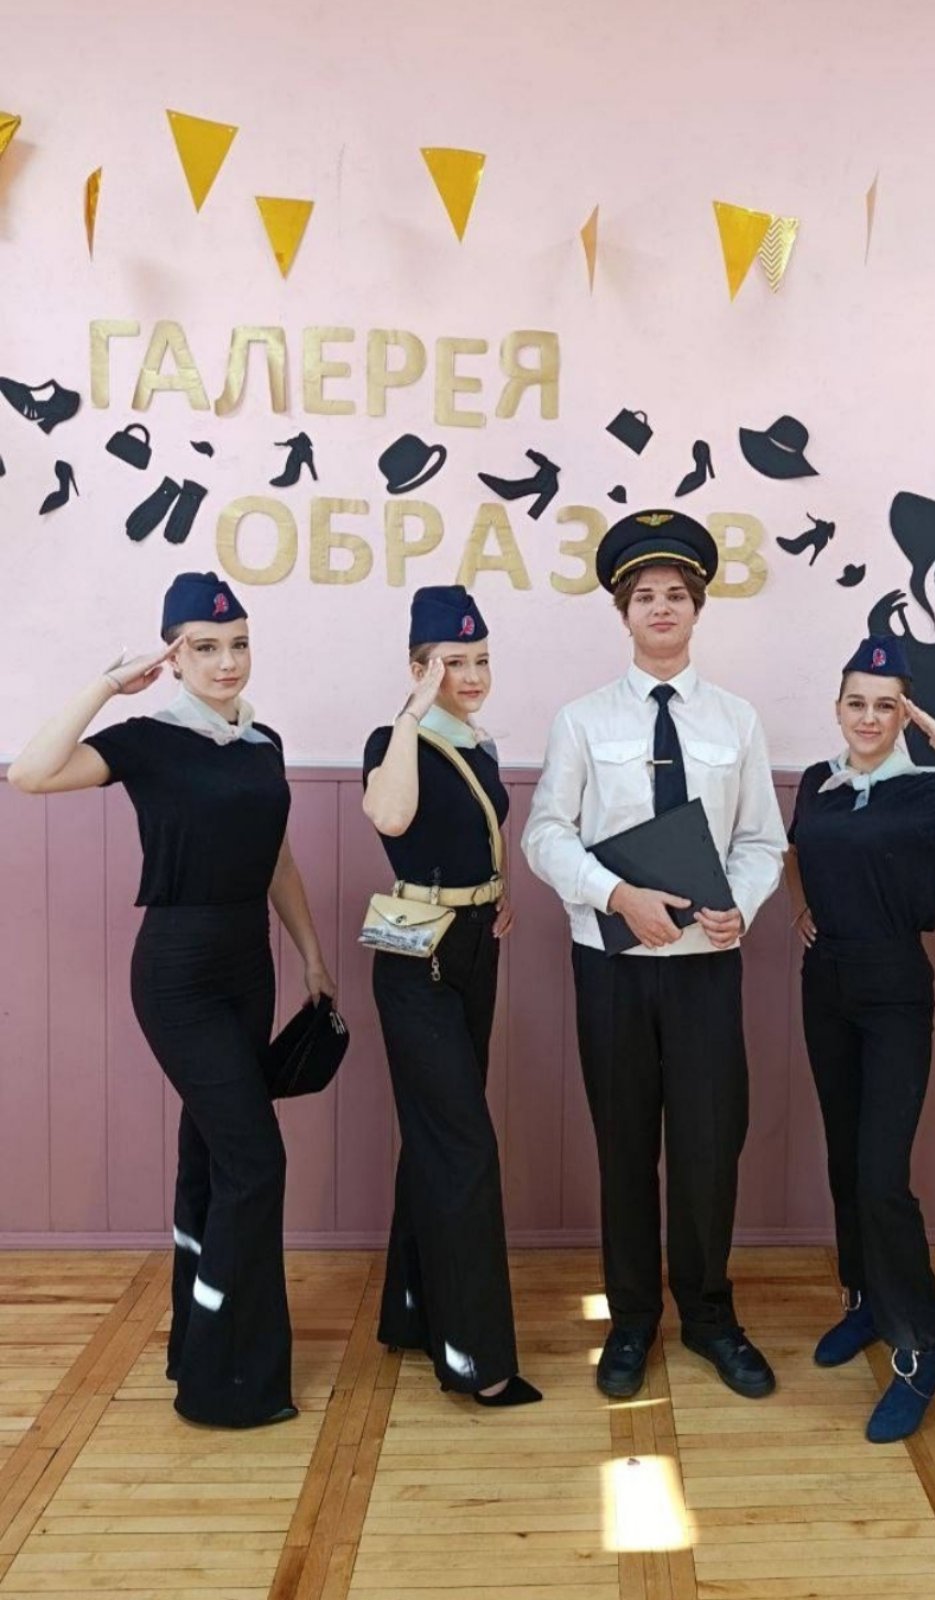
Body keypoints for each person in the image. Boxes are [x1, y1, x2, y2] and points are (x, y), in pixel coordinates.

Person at [6, 571, 335, 1428]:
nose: (227, 661)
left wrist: (310, 953)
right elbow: (30, 775)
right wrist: (107, 685)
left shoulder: (262, 743)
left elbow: (276, 857)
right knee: (255, 1162)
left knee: (210, 1157)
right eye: (205, 647)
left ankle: (195, 1341)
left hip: (250, 965)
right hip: (178, 972)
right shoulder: (147, 739)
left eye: (238, 644)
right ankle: (225, 1382)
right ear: (174, 657)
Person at [522, 510, 787, 1401]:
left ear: (697, 608)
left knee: (709, 1146)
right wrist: (615, 895)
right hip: (612, 966)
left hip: (705, 966)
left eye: (676, 594)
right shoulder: (581, 719)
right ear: (622, 612)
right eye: (644, 596)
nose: (661, 608)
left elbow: (761, 840)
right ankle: (631, 1317)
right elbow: (545, 834)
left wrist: (739, 905)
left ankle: (709, 1316)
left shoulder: (736, 720)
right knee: (625, 1145)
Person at [784, 635, 935, 1441]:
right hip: (825, 981)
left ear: (903, 716)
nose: (867, 717)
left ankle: (918, 1347)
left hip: (893, 987)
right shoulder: (818, 783)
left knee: (881, 1175)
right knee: (843, 1159)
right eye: (855, 703)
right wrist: (800, 905)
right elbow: (798, 850)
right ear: (837, 708)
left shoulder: (929, 794)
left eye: (884, 706)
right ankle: (863, 1301)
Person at [362, 585, 540, 1407]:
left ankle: (410, 1310)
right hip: (417, 954)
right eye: (451, 663)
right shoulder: (395, 739)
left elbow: (474, 835)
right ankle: (476, 1361)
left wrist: (497, 891)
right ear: (417, 667)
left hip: (474, 943)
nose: (470, 676)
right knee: (463, 1144)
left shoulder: (477, 742)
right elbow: (393, 820)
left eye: (480, 660)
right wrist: (412, 714)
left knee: (437, 1133)